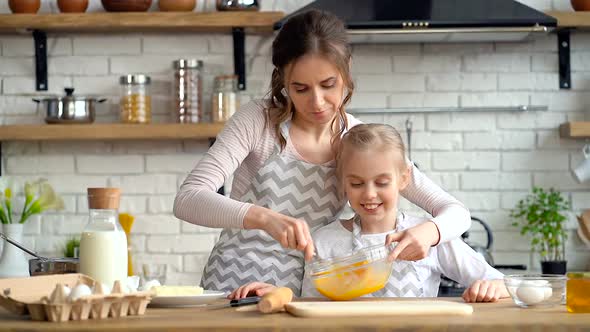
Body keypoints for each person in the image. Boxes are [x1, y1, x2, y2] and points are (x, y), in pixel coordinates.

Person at [173, 9, 471, 296]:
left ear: (347, 70)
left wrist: (430, 232)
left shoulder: (358, 141)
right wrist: (264, 218)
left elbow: (456, 212)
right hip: (234, 282)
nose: (317, 102)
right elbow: (188, 198)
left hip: (305, 293)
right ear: (282, 80)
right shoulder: (258, 121)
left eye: (328, 85)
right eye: (300, 88)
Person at [230, 124, 509, 303]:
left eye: (382, 182)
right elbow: (311, 307)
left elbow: (502, 283)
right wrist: (278, 294)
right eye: (356, 183)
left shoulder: (429, 238)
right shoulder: (324, 240)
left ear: (403, 179)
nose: (369, 194)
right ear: (342, 183)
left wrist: (493, 288)